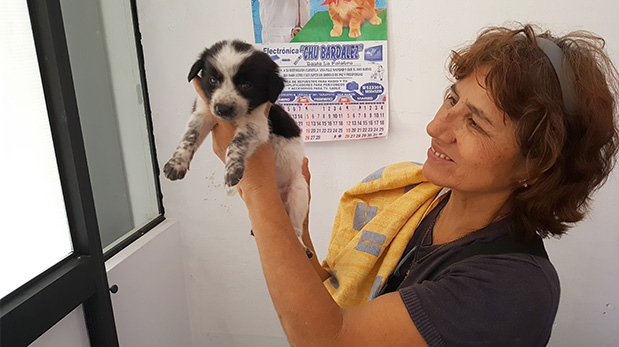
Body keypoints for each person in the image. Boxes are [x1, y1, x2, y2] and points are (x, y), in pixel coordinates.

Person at [193, 23, 618, 346]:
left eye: (476, 122)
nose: (437, 127)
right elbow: (336, 296)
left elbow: (329, 336)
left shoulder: (511, 289)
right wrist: (291, 218)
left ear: (538, 164)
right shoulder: (419, 198)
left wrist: (259, 187)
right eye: (453, 99)